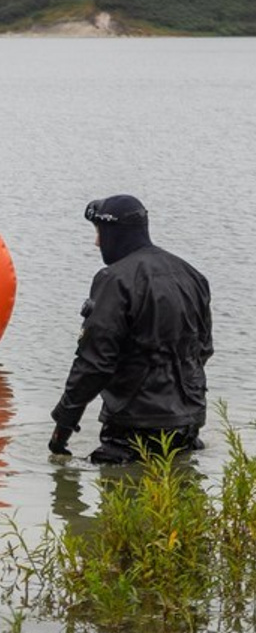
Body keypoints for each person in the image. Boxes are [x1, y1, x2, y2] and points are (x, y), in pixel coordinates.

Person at [48, 194, 212, 464]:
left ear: (114, 233)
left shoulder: (114, 280)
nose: (97, 242)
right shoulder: (192, 275)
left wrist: (63, 427)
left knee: (121, 501)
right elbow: (203, 349)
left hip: (134, 427)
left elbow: (93, 365)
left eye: (99, 232)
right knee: (178, 498)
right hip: (189, 423)